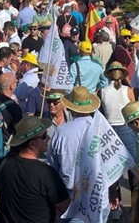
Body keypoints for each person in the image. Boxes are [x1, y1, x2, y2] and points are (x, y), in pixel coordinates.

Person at [0, 117, 69, 223]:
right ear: (32, 144)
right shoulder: (46, 173)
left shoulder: (5, 163)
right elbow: (63, 206)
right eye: (44, 136)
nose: (48, 138)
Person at [47, 87, 101, 220]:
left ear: (69, 107)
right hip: (97, 193)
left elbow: (52, 167)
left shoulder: (61, 132)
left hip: (70, 194)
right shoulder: (101, 129)